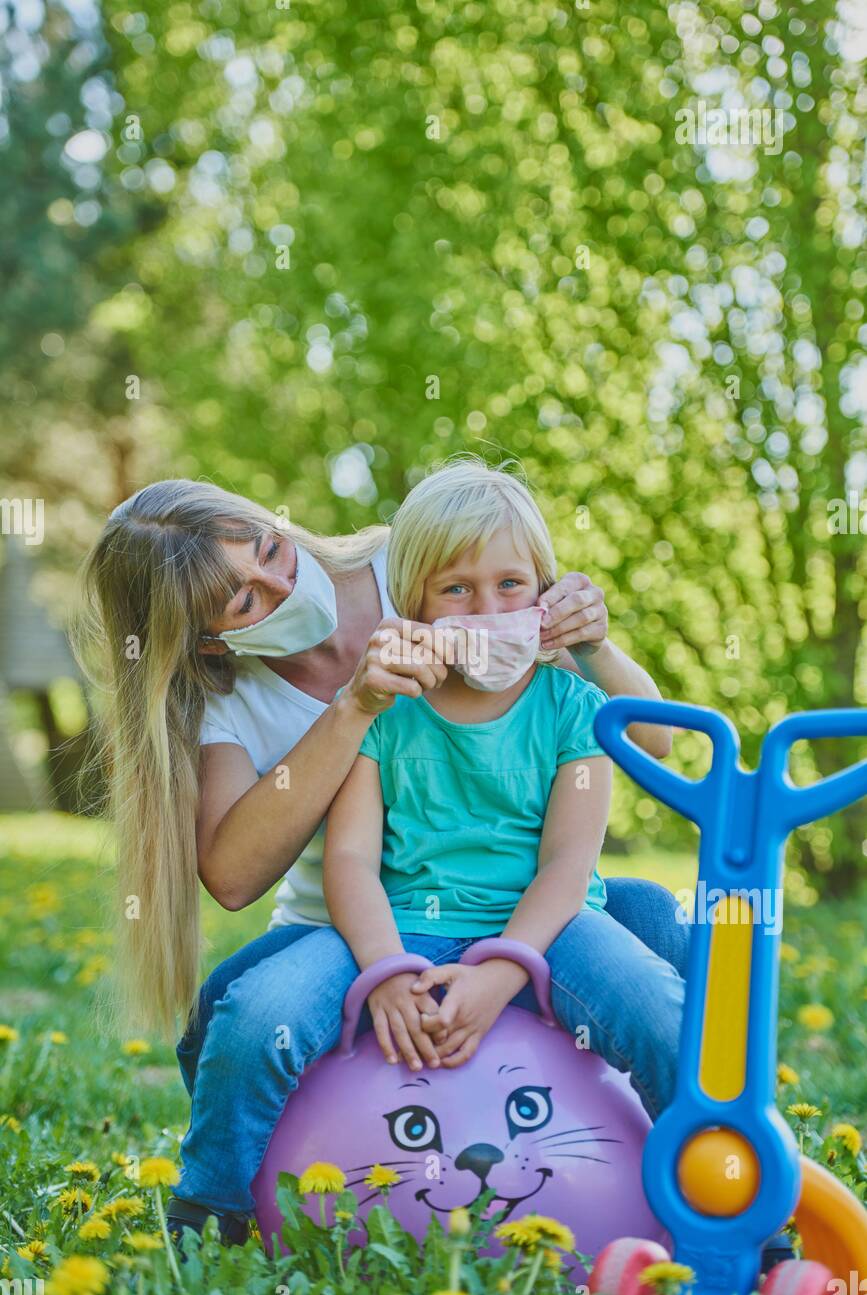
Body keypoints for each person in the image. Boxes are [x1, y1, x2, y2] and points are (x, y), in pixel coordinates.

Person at [71, 465, 684, 1250]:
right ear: (208, 638)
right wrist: (354, 706)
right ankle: (212, 1218)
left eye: (269, 547)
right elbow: (247, 875)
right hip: (359, 921)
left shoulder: (436, 555)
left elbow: (645, 751)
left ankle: (718, 1177)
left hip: (536, 906)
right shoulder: (279, 702)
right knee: (251, 1012)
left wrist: (591, 640)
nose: (280, 582)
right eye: (247, 598)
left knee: (660, 948)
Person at [323, 461, 685, 1117]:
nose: (488, 611)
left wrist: (503, 970)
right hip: (411, 931)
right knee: (255, 1011)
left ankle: (719, 1196)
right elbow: (348, 859)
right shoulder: (383, 707)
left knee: (661, 1013)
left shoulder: (571, 700)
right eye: (456, 589)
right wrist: (385, 970)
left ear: (546, 595)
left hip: (554, 928)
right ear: (413, 607)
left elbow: (575, 853)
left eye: (511, 584)